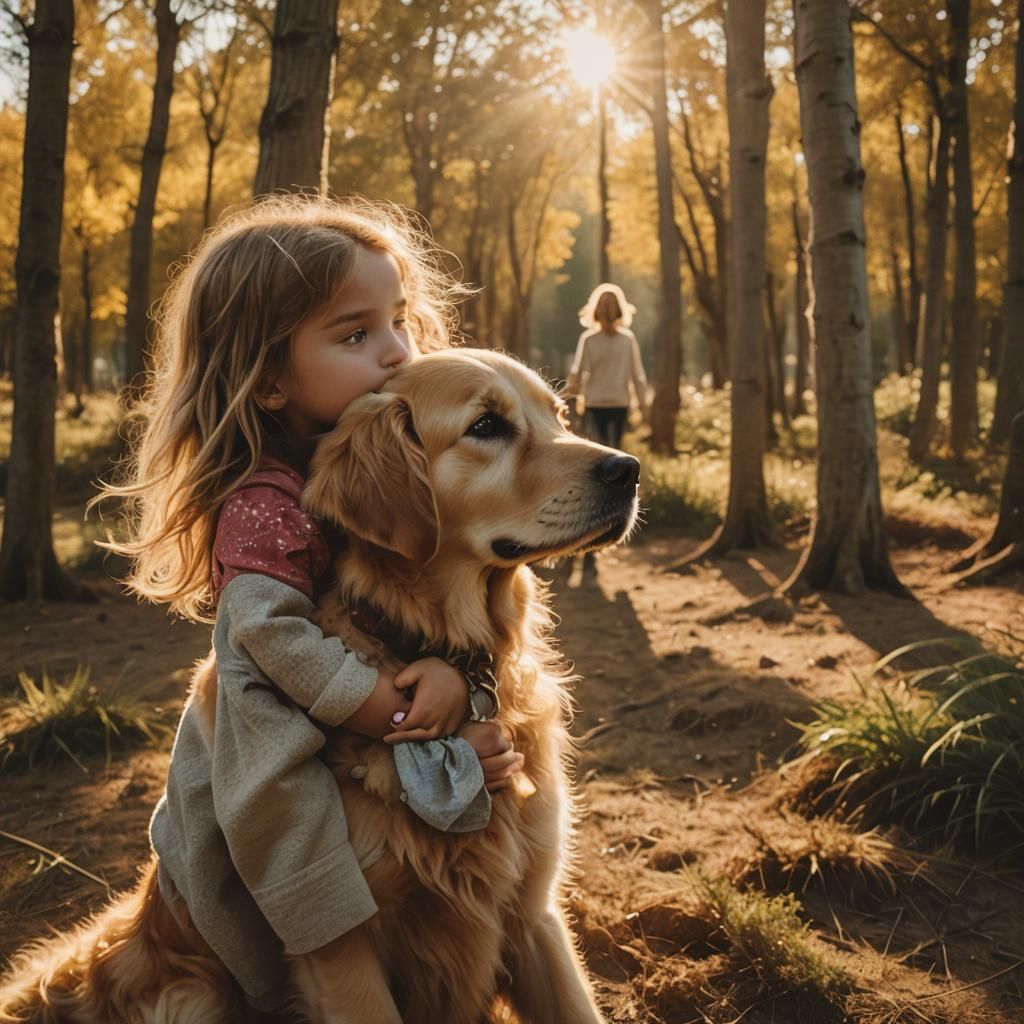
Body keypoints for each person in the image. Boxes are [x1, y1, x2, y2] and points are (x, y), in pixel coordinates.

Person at [94, 196, 524, 1014]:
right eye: (356, 335)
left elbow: (382, 613)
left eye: (397, 319)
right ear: (267, 381)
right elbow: (269, 634)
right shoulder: (266, 497)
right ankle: (329, 951)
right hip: (268, 720)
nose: (397, 352)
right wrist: (387, 711)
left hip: (349, 693)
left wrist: (437, 668)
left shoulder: (369, 453)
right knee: (291, 835)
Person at [565, 282, 649, 450]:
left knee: (604, 448)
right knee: (611, 448)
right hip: (609, 403)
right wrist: (643, 406)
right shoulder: (618, 339)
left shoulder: (596, 339)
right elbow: (637, 375)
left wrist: (564, 401)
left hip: (604, 403)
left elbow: (576, 374)